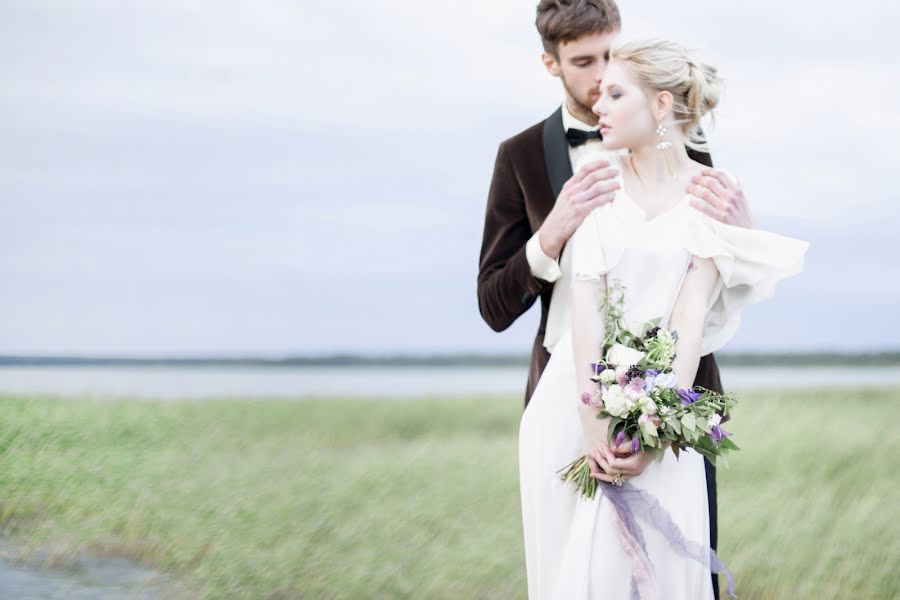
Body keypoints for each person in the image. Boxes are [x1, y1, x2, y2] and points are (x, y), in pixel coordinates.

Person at [518, 36, 809, 598]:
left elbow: (688, 319)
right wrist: (592, 419)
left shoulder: (705, 197)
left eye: (614, 94)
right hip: (572, 411)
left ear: (659, 106)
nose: (598, 105)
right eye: (597, 94)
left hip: (668, 415)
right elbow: (586, 305)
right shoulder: (599, 186)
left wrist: (657, 429)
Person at [476, 1, 751, 597]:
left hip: (677, 401)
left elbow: (707, 280)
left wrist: (659, 414)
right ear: (550, 63)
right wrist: (554, 232)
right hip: (570, 395)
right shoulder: (520, 156)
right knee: (574, 576)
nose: (602, 77)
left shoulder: (686, 151)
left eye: (613, 55)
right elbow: (494, 306)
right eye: (584, 61)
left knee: (675, 572)